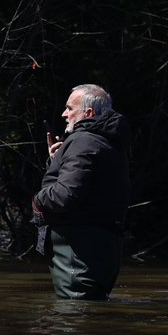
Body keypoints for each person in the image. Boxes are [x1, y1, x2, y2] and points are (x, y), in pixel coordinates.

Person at [33, 84, 131, 300]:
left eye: (69, 108)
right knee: (91, 319)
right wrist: (58, 161)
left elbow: (65, 195)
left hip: (79, 254)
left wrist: (37, 199)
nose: (64, 114)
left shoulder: (82, 141)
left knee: (74, 320)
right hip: (100, 250)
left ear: (88, 113)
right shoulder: (109, 142)